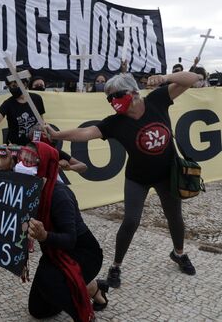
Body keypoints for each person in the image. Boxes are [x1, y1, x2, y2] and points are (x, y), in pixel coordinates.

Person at [45, 71, 200, 289]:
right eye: (109, 98)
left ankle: (179, 253)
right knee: (130, 221)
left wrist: (165, 78)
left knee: (174, 216)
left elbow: (193, 79)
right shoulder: (115, 123)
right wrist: (56, 135)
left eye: (116, 95)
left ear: (134, 92)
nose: (113, 101)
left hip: (168, 174)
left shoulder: (157, 99)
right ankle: (116, 266)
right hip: (138, 178)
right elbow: (87, 132)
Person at [15, 142, 107, 322]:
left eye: (31, 160)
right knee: (38, 310)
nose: (24, 164)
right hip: (54, 251)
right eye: (23, 158)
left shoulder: (60, 195)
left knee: (50, 282)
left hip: (83, 252)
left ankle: (84, 315)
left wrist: (44, 236)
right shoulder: (31, 189)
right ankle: (91, 288)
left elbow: (70, 240)